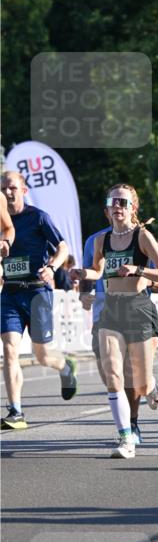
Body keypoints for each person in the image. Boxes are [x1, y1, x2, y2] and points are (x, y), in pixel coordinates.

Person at [69, 184, 158, 457]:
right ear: (107, 207)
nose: (117, 206)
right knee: (113, 373)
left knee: (139, 381)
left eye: (123, 202)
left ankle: (151, 386)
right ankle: (126, 437)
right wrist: (82, 274)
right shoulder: (101, 240)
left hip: (138, 308)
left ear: (133, 208)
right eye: (113, 201)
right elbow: (97, 271)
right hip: (112, 308)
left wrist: (138, 269)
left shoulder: (143, 236)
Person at [1, 171, 78, 430]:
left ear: (23, 190)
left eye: (12, 188)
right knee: (10, 349)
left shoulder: (38, 217)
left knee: (42, 355)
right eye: (3, 189)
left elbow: (63, 247)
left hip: (37, 292)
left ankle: (65, 367)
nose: (7, 193)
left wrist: (53, 268)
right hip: (10, 293)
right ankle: (16, 412)